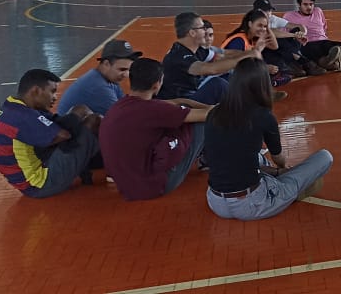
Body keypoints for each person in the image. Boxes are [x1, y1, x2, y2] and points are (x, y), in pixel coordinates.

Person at [204, 58, 334, 221]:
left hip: (215, 202)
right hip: (252, 204)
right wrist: (284, 170)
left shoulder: (214, 114)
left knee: (250, 156)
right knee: (325, 157)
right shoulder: (263, 116)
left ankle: (279, 182)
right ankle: (287, 191)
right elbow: (278, 158)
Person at [100, 58, 211, 201]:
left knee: (180, 116)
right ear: (157, 84)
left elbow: (174, 104)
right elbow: (208, 115)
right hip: (153, 187)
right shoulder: (154, 110)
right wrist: (233, 105)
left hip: (126, 184)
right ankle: (212, 164)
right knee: (203, 123)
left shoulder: (119, 107)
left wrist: (186, 102)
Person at [0, 69, 101, 198]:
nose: (55, 97)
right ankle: (112, 166)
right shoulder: (22, 116)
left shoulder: (11, 107)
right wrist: (79, 116)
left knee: (78, 115)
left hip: (27, 180)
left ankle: (87, 164)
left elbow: (53, 125)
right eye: (52, 91)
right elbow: (63, 135)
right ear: (36, 91)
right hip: (40, 184)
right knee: (93, 121)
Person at [158, 12, 259, 105]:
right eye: (202, 28)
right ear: (192, 33)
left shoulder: (196, 50)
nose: (205, 31)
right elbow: (211, 69)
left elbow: (223, 55)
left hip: (193, 96)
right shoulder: (179, 55)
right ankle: (249, 111)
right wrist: (245, 57)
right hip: (181, 105)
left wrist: (250, 53)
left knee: (229, 76)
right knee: (217, 85)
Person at [56, 39, 142, 117]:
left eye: (128, 70)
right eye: (122, 69)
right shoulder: (98, 87)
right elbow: (125, 117)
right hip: (71, 129)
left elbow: (124, 104)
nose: (126, 75)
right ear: (106, 64)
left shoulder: (105, 78)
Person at [253, 0, 324, 77]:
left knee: (295, 30)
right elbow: (270, 32)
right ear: (258, 11)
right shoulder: (253, 21)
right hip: (265, 52)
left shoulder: (272, 18)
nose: (269, 13)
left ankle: (294, 62)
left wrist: (301, 34)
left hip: (281, 50)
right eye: (266, 10)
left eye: (270, 10)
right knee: (278, 39)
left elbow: (299, 26)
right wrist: (294, 35)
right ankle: (301, 61)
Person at [222, 10, 291, 88]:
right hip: (227, 78)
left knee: (281, 71)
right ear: (250, 24)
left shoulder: (252, 39)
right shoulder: (238, 40)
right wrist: (263, 68)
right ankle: (266, 85)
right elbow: (235, 66)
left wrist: (267, 28)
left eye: (264, 26)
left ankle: (269, 83)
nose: (263, 29)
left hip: (238, 76)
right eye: (259, 25)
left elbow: (274, 46)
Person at [282, 0, 341, 71]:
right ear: (299, 4)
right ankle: (330, 62)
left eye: (311, 4)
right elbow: (284, 34)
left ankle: (329, 61)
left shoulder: (318, 11)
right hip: (307, 43)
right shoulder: (289, 16)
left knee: (338, 45)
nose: (309, 7)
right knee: (312, 49)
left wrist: (322, 37)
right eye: (305, 4)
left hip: (323, 41)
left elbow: (324, 27)